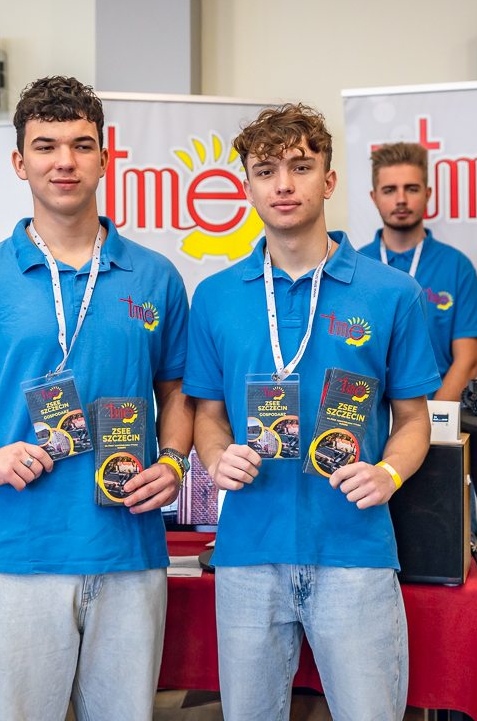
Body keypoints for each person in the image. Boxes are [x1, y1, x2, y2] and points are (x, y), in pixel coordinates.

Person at [0, 75, 194, 720]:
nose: (64, 162)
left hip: (127, 551)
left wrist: (171, 461)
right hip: (12, 555)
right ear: (20, 162)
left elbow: (178, 393)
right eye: (46, 147)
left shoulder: (155, 276)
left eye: (81, 145)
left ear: (104, 157)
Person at [183, 104, 441, 719]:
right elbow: (208, 414)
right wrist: (215, 458)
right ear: (247, 187)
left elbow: (414, 419)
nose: (283, 184)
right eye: (266, 171)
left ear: (328, 180)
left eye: (300, 167)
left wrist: (390, 473)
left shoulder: (392, 293)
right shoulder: (215, 297)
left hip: (355, 548)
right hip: (248, 550)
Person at [359, 142, 477, 402]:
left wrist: (428, 421)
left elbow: (468, 362)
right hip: (369, 417)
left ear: (428, 194)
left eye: (411, 189)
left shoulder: (457, 266)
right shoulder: (354, 265)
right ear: (374, 198)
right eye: (389, 190)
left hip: (436, 412)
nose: (401, 199)